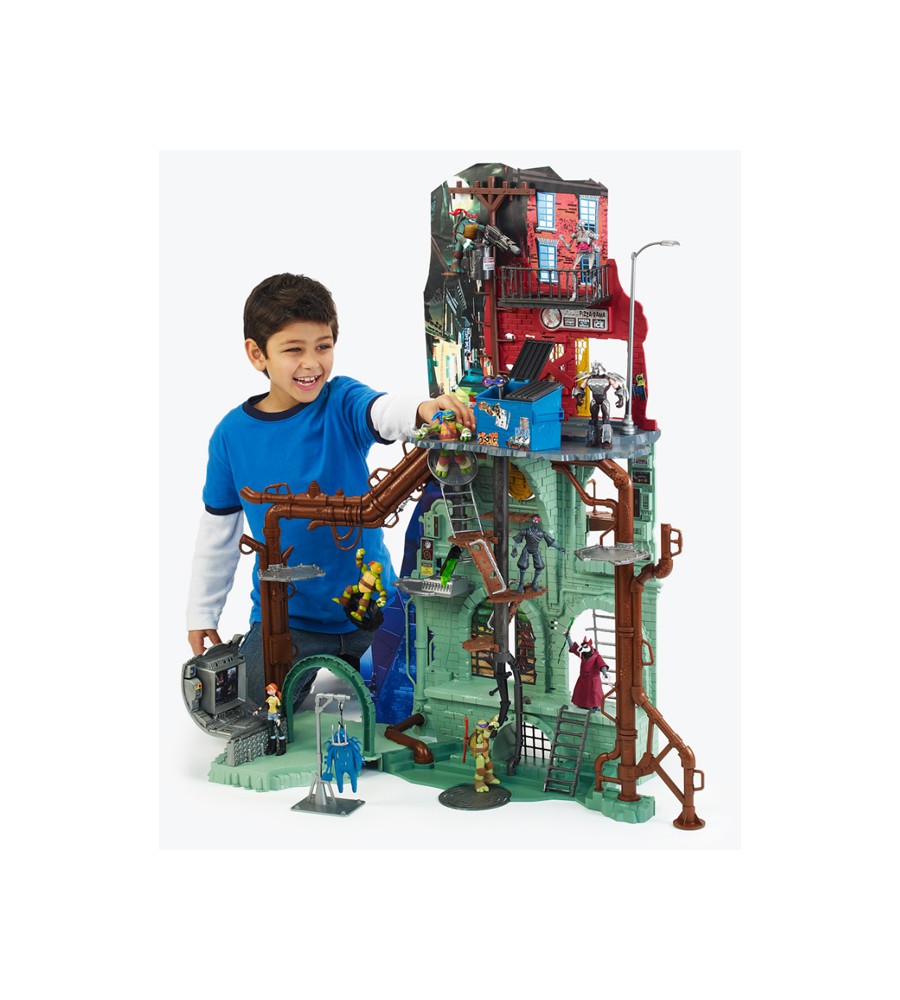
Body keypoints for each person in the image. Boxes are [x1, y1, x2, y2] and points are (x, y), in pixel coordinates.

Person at [186, 273, 473, 708]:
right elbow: (217, 533)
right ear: (257, 354)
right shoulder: (231, 435)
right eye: (293, 349)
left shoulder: (341, 400)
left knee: (422, 690)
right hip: (288, 618)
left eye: (323, 346)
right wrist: (202, 612)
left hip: (374, 611)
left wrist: (422, 409)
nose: (312, 363)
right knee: (255, 705)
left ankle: (364, 665)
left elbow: (381, 410)